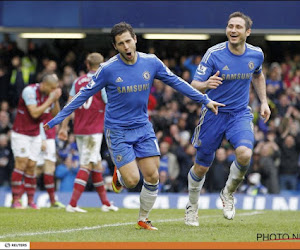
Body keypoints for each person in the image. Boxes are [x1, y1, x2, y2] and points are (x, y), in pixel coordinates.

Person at [44, 22, 224, 230]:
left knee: (153, 175)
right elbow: (81, 95)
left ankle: (143, 218)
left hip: (142, 127)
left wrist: (205, 100)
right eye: (121, 43)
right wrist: (57, 120)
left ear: (135, 39)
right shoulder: (107, 69)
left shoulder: (151, 62)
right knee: (131, 180)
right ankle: (120, 175)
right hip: (118, 130)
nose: (126, 46)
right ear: (115, 46)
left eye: (128, 41)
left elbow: (177, 83)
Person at [185, 11, 271, 226]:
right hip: (213, 112)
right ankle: (192, 207)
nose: (233, 30)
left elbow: (258, 75)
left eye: (238, 27)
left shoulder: (256, 54)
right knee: (202, 166)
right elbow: (194, 84)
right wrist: (206, 85)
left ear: (247, 32)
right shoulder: (214, 54)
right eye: (230, 26)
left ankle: (227, 193)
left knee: (244, 154)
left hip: (240, 113)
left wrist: (264, 102)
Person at [58, 52, 118, 213]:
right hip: (94, 130)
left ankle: (105, 203)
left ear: (86, 64)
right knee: (87, 163)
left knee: (96, 163)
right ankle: (72, 204)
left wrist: (64, 127)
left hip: (79, 129)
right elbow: (109, 103)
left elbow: (69, 105)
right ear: (102, 64)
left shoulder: (77, 81)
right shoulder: (102, 80)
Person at [10, 73, 61, 209]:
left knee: (32, 166)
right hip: (21, 133)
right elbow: (34, 113)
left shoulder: (49, 95)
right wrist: (50, 100)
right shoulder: (29, 91)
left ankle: (31, 201)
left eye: (55, 89)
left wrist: (55, 100)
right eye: (52, 88)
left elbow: (56, 115)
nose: (53, 91)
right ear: (44, 85)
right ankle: (15, 200)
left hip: (36, 134)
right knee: (21, 163)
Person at [38, 115, 66, 208]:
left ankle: (52, 201)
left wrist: (55, 100)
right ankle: (23, 198)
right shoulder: (39, 100)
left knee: (50, 169)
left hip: (50, 136)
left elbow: (56, 112)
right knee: (33, 169)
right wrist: (42, 138)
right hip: (36, 135)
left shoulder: (52, 101)